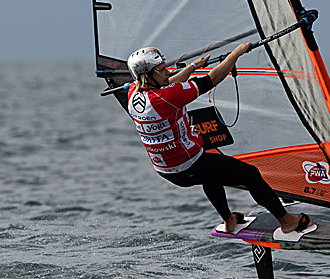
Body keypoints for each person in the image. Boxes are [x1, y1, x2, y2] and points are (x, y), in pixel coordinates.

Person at [125, 43, 315, 237]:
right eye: (163, 70)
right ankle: (287, 222)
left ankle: (229, 219)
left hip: (167, 171)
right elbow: (212, 79)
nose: (168, 72)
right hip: (190, 165)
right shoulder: (167, 97)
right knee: (250, 174)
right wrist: (237, 54)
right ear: (147, 76)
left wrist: (192, 67)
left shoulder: (133, 93)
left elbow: (171, 83)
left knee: (210, 171)